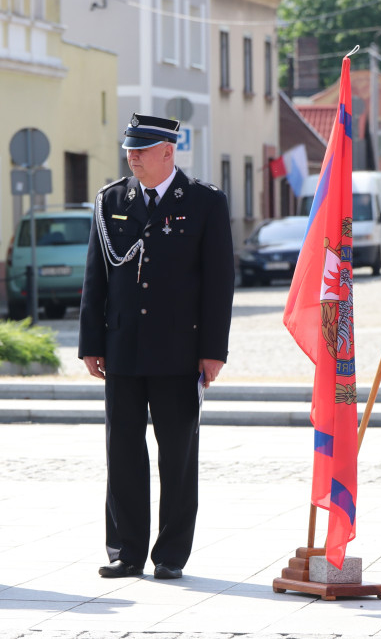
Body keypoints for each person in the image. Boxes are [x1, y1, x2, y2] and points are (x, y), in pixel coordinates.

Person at [78, 113, 235, 580]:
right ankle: (126, 551)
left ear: (168, 151)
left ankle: (170, 554)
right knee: (122, 451)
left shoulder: (204, 202)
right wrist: (91, 342)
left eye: (141, 151)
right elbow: (95, 276)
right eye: (129, 150)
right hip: (122, 347)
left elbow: (218, 283)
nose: (133, 158)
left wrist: (213, 350)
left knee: (177, 456)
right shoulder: (111, 200)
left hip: (178, 349)